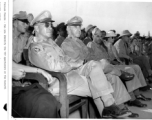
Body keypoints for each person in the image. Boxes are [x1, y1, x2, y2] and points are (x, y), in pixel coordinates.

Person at [28, 11, 131, 118]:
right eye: (46, 25)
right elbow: (55, 66)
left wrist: (79, 63)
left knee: (94, 67)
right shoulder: (36, 47)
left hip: (71, 75)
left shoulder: (51, 43)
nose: (50, 28)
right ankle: (110, 106)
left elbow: (65, 57)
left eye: (51, 24)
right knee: (100, 82)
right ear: (36, 28)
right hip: (58, 82)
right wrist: (75, 64)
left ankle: (109, 108)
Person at [61, 16, 142, 118]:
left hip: (91, 68)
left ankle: (119, 108)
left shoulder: (80, 42)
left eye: (79, 27)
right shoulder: (66, 44)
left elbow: (90, 55)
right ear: (68, 29)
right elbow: (78, 61)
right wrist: (95, 60)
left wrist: (95, 58)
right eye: (75, 27)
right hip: (79, 72)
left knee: (113, 77)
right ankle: (119, 73)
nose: (78, 29)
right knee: (103, 64)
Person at [12, 11, 60, 118]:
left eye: (27, 23)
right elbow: (14, 61)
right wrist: (29, 50)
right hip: (14, 79)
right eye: (23, 22)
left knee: (44, 100)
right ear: (14, 23)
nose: (26, 25)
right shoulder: (6, 37)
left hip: (21, 74)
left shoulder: (23, 38)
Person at [87, 28, 150, 107]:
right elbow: (90, 60)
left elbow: (110, 57)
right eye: (97, 36)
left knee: (134, 67)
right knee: (129, 69)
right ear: (92, 36)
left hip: (111, 64)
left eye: (100, 36)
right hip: (102, 67)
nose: (99, 38)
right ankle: (132, 99)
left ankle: (137, 94)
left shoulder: (102, 46)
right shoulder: (90, 44)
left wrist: (110, 51)